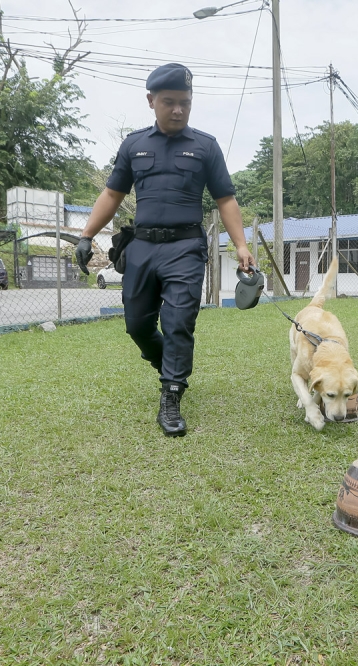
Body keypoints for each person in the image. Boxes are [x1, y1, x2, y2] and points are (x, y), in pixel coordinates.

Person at [75, 63, 254, 437]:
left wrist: (241, 245)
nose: (178, 110)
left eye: (185, 103)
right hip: (140, 248)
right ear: (151, 101)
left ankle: (171, 395)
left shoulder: (205, 146)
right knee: (137, 324)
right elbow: (112, 193)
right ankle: (167, 365)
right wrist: (86, 234)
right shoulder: (134, 145)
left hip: (186, 247)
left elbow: (226, 199)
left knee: (177, 323)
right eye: (169, 102)